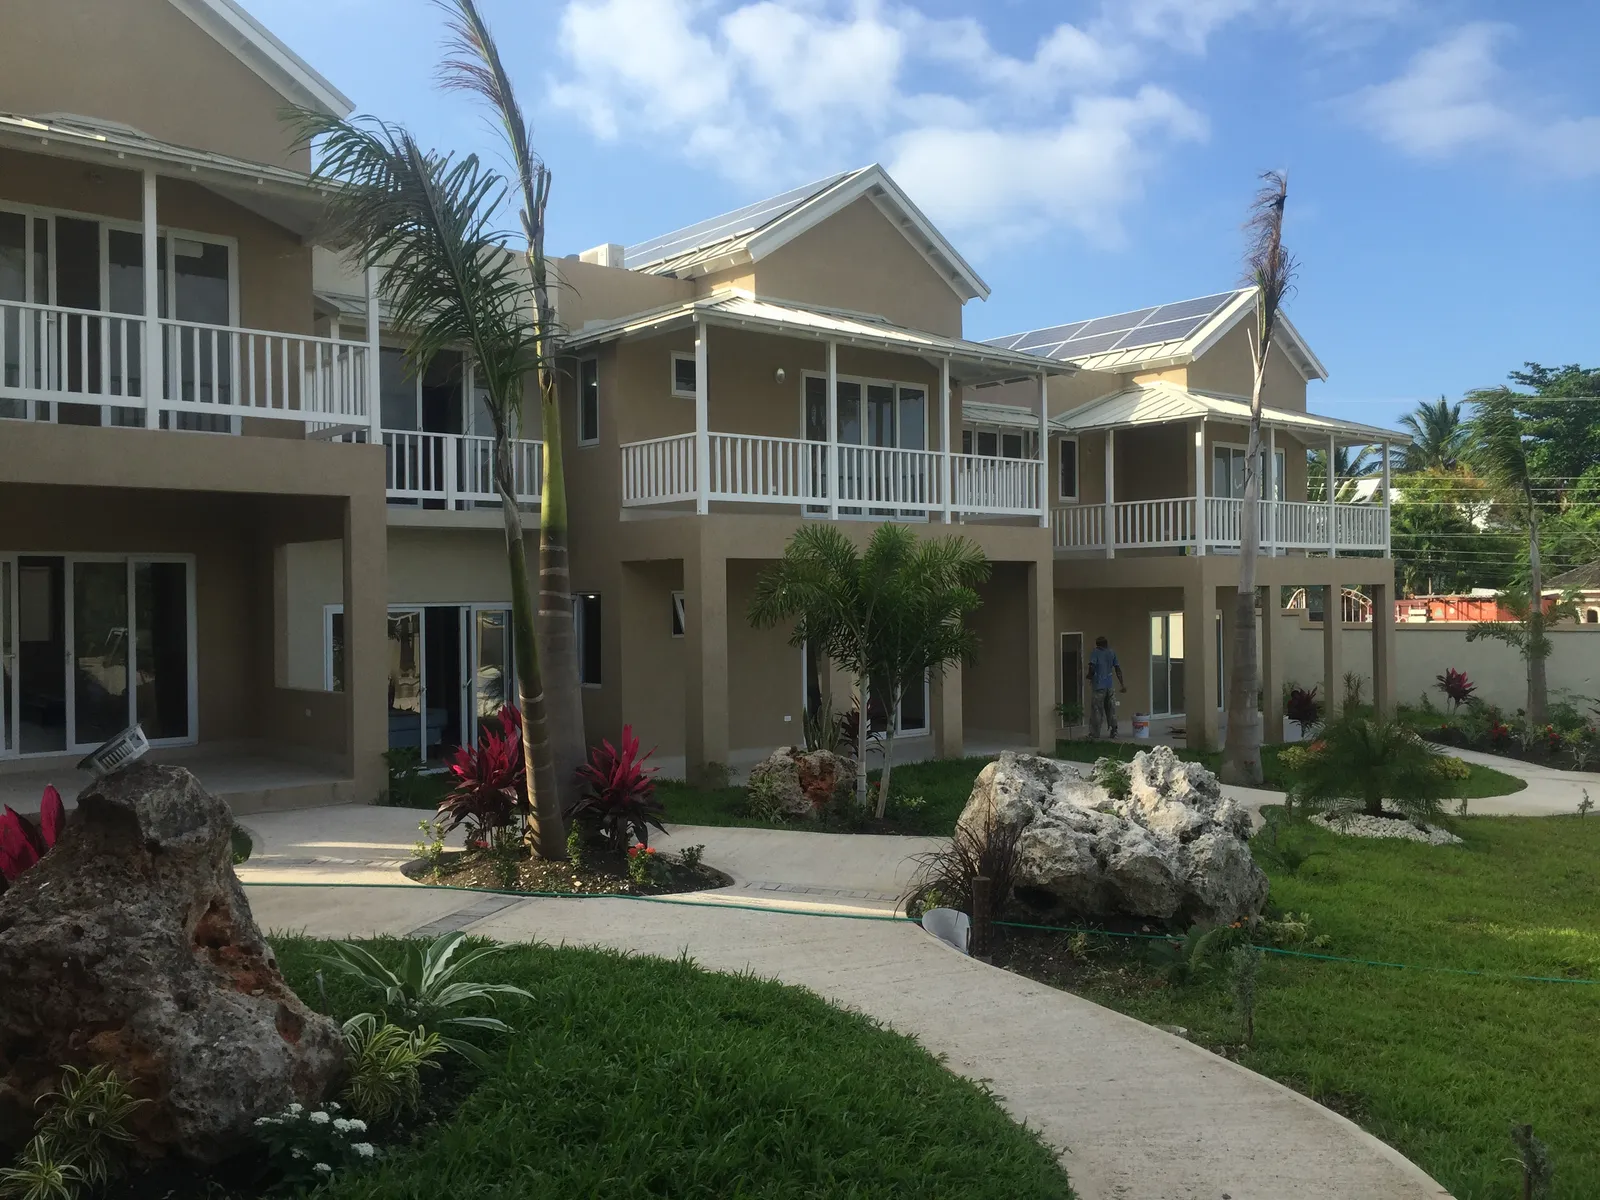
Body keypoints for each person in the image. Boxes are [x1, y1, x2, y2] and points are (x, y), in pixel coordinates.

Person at [1085, 635, 1126, 739]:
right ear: (1106, 644)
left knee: (1097, 710)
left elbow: (1092, 667)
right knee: (1111, 709)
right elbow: (1117, 669)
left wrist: (1089, 676)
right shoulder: (1111, 653)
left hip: (1099, 686)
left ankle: (1095, 733)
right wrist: (1122, 684)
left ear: (1097, 645)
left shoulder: (1095, 652)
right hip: (1110, 686)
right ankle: (1114, 731)